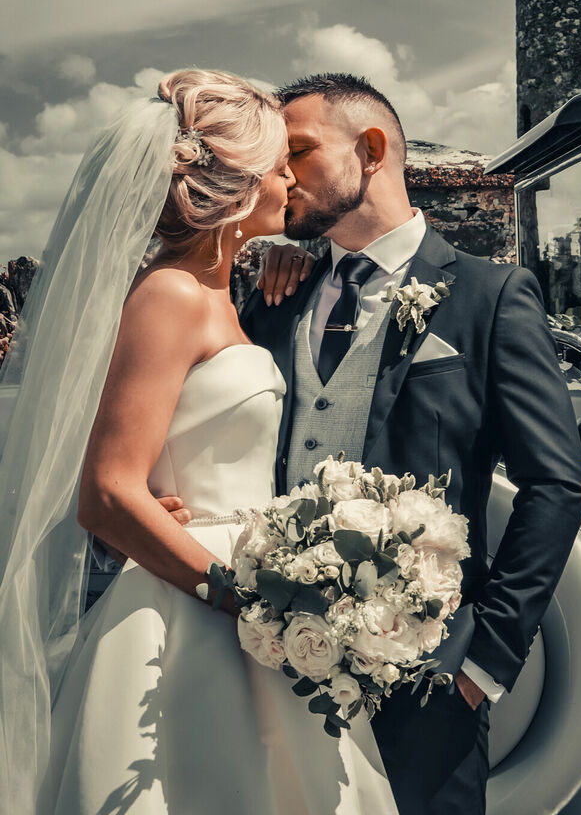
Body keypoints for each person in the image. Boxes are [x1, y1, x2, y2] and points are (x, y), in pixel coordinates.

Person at [0, 68, 397, 815]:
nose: (291, 179)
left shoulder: (219, 287)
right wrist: (240, 597)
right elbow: (107, 492)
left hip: (246, 600)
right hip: (195, 612)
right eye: (280, 164)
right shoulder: (171, 295)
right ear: (239, 181)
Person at [240, 73, 581, 814]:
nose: (277, 176)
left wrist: (484, 660)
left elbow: (555, 484)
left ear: (370, 150)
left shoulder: (490, 296)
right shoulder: (274, 294)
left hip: (425, 672)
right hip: (265, 663)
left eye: (296, 152)